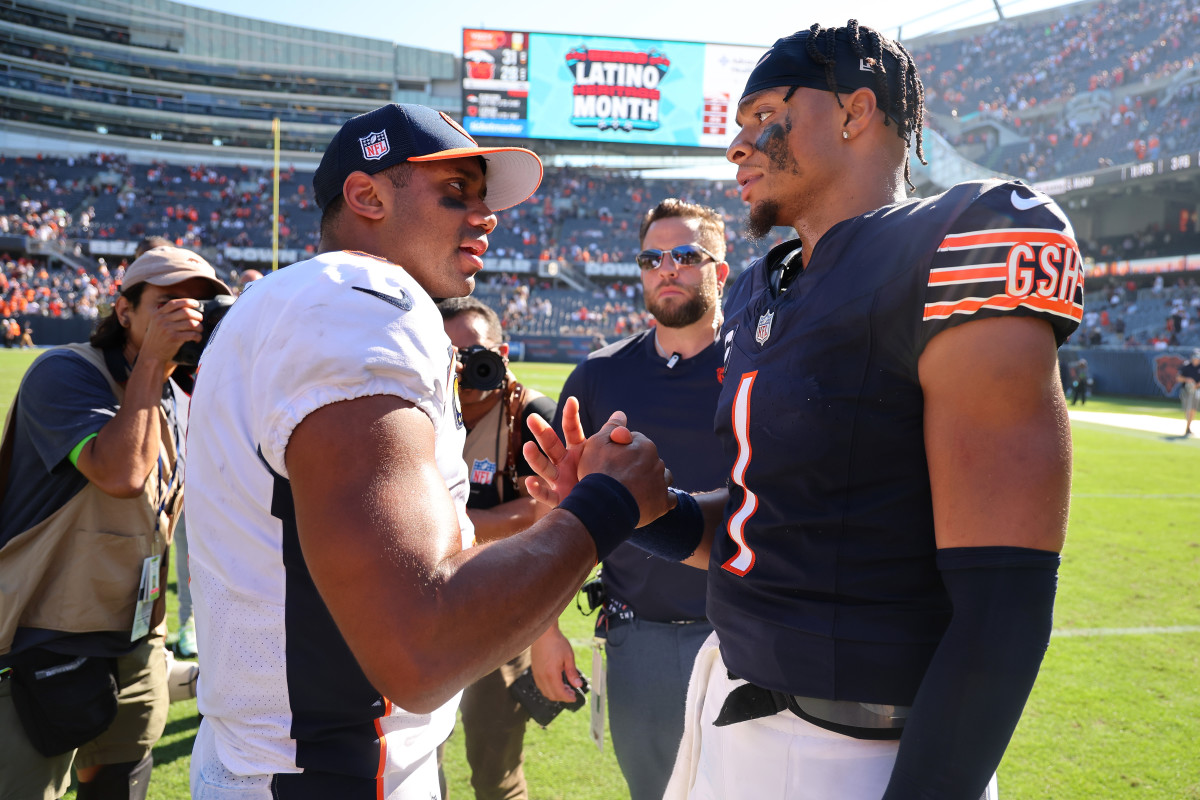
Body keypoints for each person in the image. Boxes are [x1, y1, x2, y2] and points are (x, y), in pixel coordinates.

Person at [525, 21, 1081, 800]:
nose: (737, 147)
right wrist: (648, 510)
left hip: (862, 753)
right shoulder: (762, 287)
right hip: (733, 710)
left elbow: (1005, 603)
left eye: (763, 117)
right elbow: (769, 530)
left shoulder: (961, 241)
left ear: (854, 112)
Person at [183, 103, 672, 799]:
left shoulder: (286, 306)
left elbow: (398, 563)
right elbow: (423, 645)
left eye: (482, 197)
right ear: (367, 195)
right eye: (455, 193)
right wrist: (605, 508)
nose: (486, 216)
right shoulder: (361, 300)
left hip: (273, 759)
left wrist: (547, 525)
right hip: (330, 772)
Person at [0, 246, 229, 800]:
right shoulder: (65, 371)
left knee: (122, 784)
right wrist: (153, 362)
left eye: (201, 305)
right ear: (123, 310)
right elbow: (121, 473)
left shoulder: (176, 391)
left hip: (134, 635)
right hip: (46, 632)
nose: (188, 315)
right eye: (169, 302)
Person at [533, 199, 729, 800]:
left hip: (743, 631)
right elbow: (555, 507)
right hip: (637, 636)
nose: (667, 268)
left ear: (721, 270)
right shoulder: (598, 376)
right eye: (651, 258)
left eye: (687, 255)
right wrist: (545, 630)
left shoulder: (761, 365)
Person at [436, 296, 557, 800]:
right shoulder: (415, 406)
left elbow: (543, 511)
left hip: (501, 607)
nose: (466, 368)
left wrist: (456, 523)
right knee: (415, 761)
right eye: (451, 356)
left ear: (502, 352)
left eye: (477, 354)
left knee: (497, 767)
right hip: (426, 604)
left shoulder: (531, 414)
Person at [1178, 349, 1200, 436]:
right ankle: (1188, 427)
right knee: (1188, 409)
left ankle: (1188, 427)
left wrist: (1196, 385)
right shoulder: (1186, 366)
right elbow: (1178, 378)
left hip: (1196, 390)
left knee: (1193, 409)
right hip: (1186, 391)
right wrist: (1187, 380)